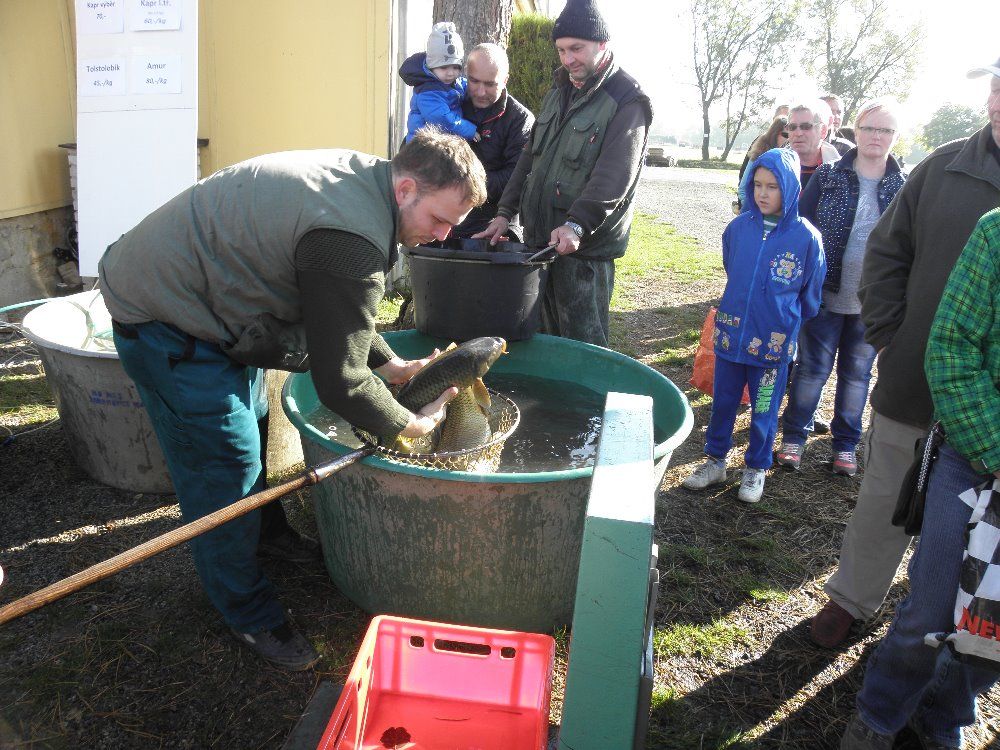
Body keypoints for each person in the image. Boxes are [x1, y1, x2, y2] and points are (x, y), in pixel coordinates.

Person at [98, 128, 486, 670]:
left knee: (252, 425)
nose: (443, 236)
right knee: (224, 472)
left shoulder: (368, 186)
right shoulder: (352, 234)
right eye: (439, 220)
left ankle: (265, 536)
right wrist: (408, 425)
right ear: (406, 189)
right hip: (166, 312)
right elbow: (341, 381)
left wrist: (390, 366)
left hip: (214, 291)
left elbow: (336, 306)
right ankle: (248, 612)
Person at [809, 57, 1000, 650]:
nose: (999, 99)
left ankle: (944, 627)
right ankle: (852, 598)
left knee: (974, 529)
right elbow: (886, 253)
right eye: (998, 84)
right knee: (884, 491)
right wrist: (891, 333)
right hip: (915, 377)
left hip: (992, 406)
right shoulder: (944, 167)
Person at [841, 208, 1000, 749]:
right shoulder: (996, 231)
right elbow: (953, 348)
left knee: (993, 628)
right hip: (973, 453)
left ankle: (940, 717)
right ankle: (880, 714)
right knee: (930, 609)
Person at [473, 0, 652, 347]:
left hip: (584, 251)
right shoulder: (559, 92)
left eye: (577, 48)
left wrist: (577, 224)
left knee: (583, 348)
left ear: (602, 44)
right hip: (541, 243)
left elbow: (616, 175)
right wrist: (504, 214)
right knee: (541, 341)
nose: (568, 59)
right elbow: (529, 158)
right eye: (561, 50)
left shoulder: (627, 100)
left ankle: (589, 402)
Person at [681, 148, 825, 504]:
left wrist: (784, 321)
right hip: (731, 339)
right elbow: (734, 269)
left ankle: (756, 467)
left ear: (790, 189)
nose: (762, 193)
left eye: (772, 186)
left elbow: (811, 293)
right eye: (757, 184)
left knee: (763, 409)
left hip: (772, 345)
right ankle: (715, 461)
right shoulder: (738, 229)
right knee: (723, 403)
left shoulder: (806, 238)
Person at [776, 99, 906, 477]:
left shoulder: (904, 184)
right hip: (826, 296)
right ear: (856, 131)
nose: (876, 137)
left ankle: (846, 444)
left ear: (896, 137)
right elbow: (800, 226)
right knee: (812, 369)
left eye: (885, 130)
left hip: (873, 304)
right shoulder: (829, 175)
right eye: (869, 128)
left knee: (857, 375)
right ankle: (794, 437)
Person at [451, 43, 534, 239]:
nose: (480, 92)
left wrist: (463, 186)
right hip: (441, 224)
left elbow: (518, 177)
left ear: (505, 80)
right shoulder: (447, 105)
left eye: (490, 84)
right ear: (466, 74)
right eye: (474, 81)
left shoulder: (520, 120)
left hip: (491, 227)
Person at [399, 22, 478, 144]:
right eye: (444, 67)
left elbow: (462, 85)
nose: (450, 73)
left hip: (440, 141)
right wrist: (469, 130)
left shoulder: (450, 82)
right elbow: (443, 119)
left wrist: (476, 88)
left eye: (456, 67)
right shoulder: (428, 92)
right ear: (431, 66)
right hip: (423, 147)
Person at [736, 116, 788, 210]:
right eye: (785, 135)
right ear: (775, 133)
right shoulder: (759, 152)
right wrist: (751, 211)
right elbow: (742, 189)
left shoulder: (789, 157)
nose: (789, 139)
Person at [786, 99, 840, 188]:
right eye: (792, 127)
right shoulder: (773, 167)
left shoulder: (841, 172)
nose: (798, 133)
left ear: (823, 131)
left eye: (806, 127)